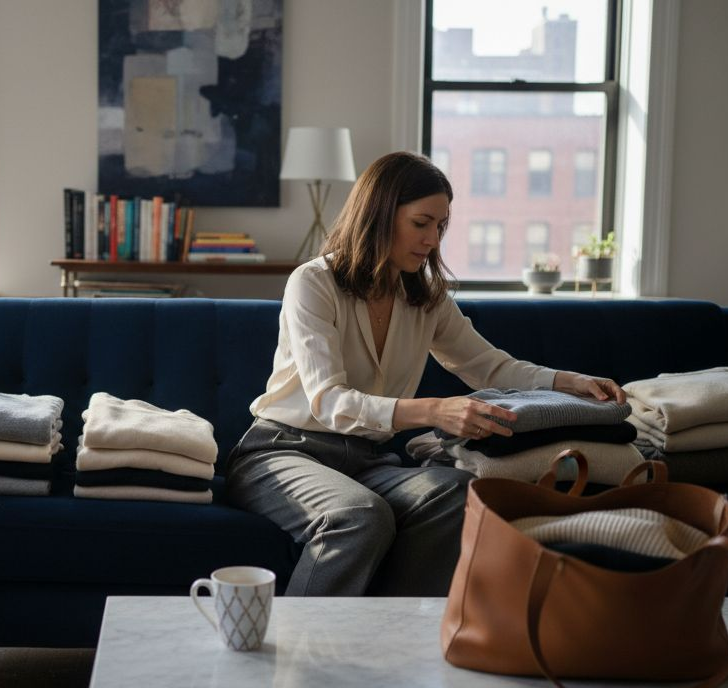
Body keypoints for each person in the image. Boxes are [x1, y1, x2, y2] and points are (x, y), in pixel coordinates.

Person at [226, 151, 626, 597]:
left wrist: (569, 382)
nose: (433, 239)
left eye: (441, 226)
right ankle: (302, 654)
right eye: (422, 223)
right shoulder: (313, 283)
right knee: (359, 515)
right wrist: (435, 410)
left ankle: (386, 640)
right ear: (379, 215)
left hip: (366, 461)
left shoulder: (425, 299)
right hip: (283, 453)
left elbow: (490, 366)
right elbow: (330, 402)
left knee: (454, 492)